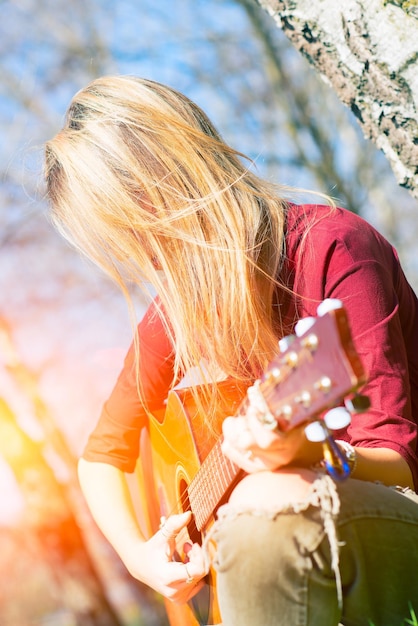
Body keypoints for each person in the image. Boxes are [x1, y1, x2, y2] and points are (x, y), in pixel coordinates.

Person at [45, 75, 418, 626]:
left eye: (142, 229)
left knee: (268, 500)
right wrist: (141, 558)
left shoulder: (330, 248)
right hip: (289, 541)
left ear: (179, 180)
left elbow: (400, 464)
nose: (146, 257)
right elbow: (99, 457)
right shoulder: (173, 318)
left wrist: (308, 455)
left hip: (395, 520)